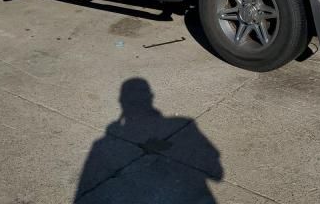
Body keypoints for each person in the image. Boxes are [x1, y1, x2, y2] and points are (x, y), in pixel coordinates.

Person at [75, 78, 223, 203]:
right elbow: (216, 172)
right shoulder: (183, 123)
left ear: (121, 101)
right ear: (151, 96)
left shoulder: (102, 143)